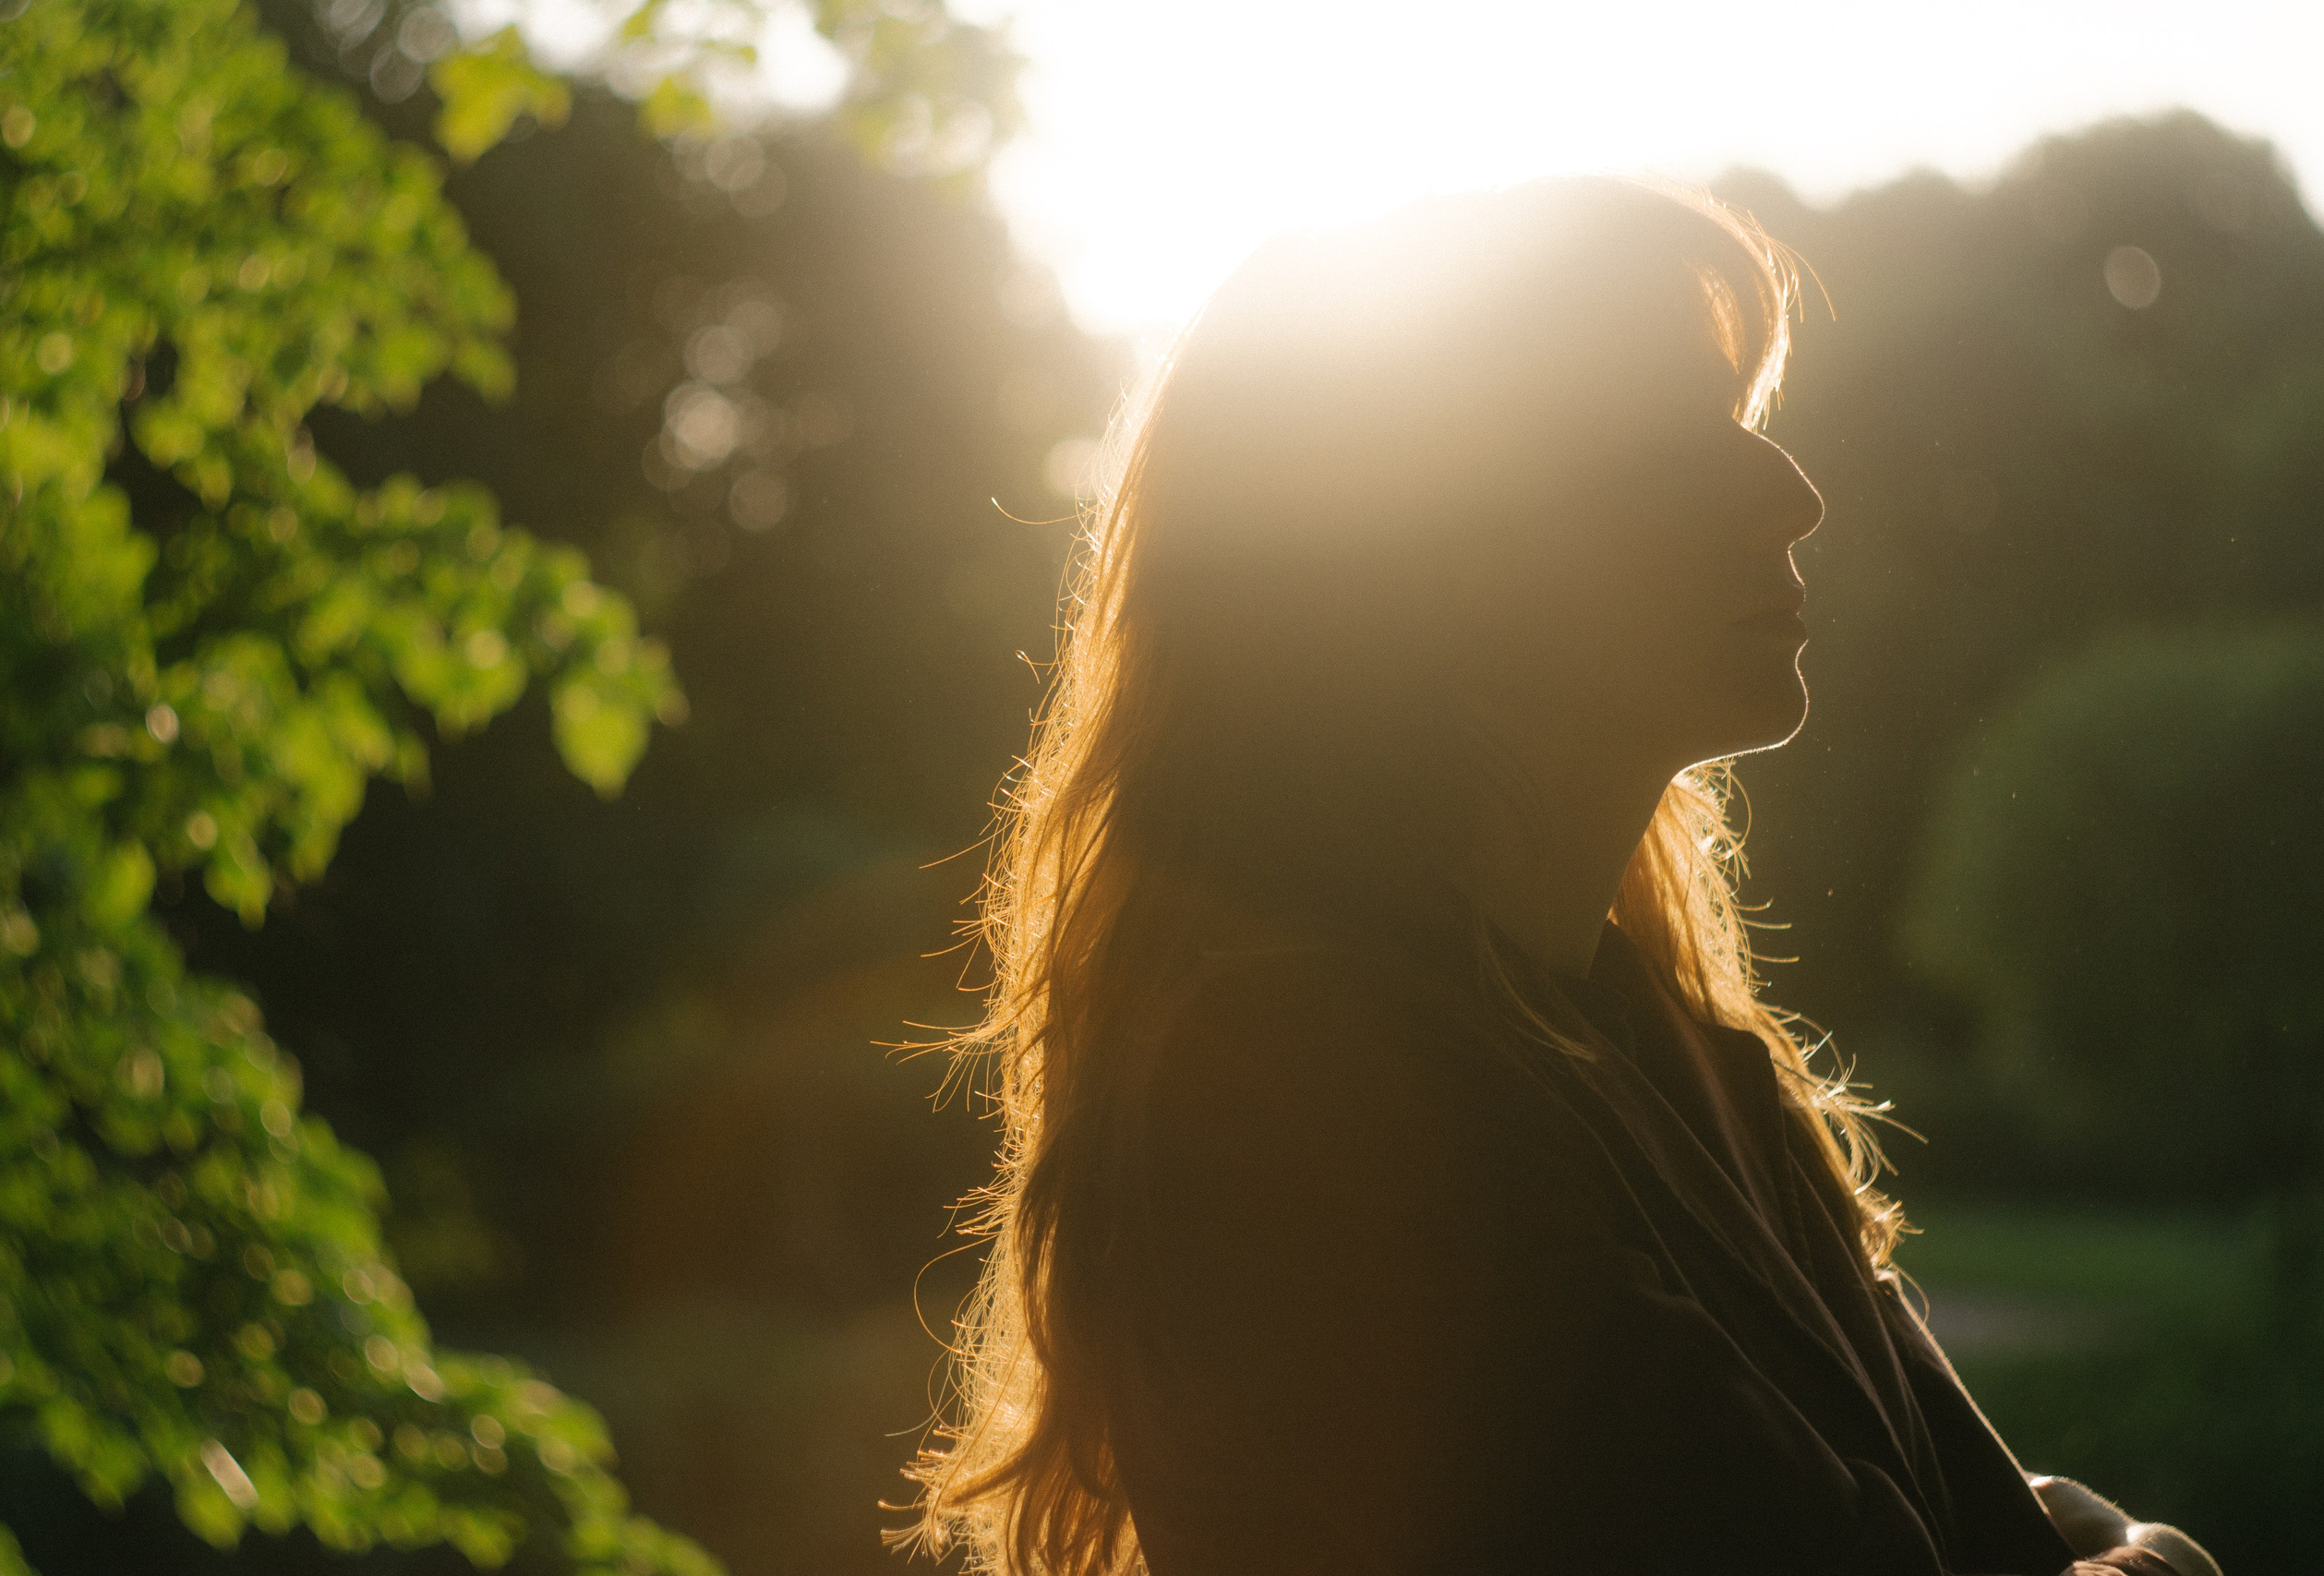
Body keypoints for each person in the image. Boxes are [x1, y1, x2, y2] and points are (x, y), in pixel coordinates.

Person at [895, 177, 2222, 1576]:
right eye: (1669, 442)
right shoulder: (1316, 1095)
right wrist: (2164, 1560)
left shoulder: (1683, 1058)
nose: (1795, 494)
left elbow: (1971, 1527)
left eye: (1746, 425)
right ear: (1428, 564)